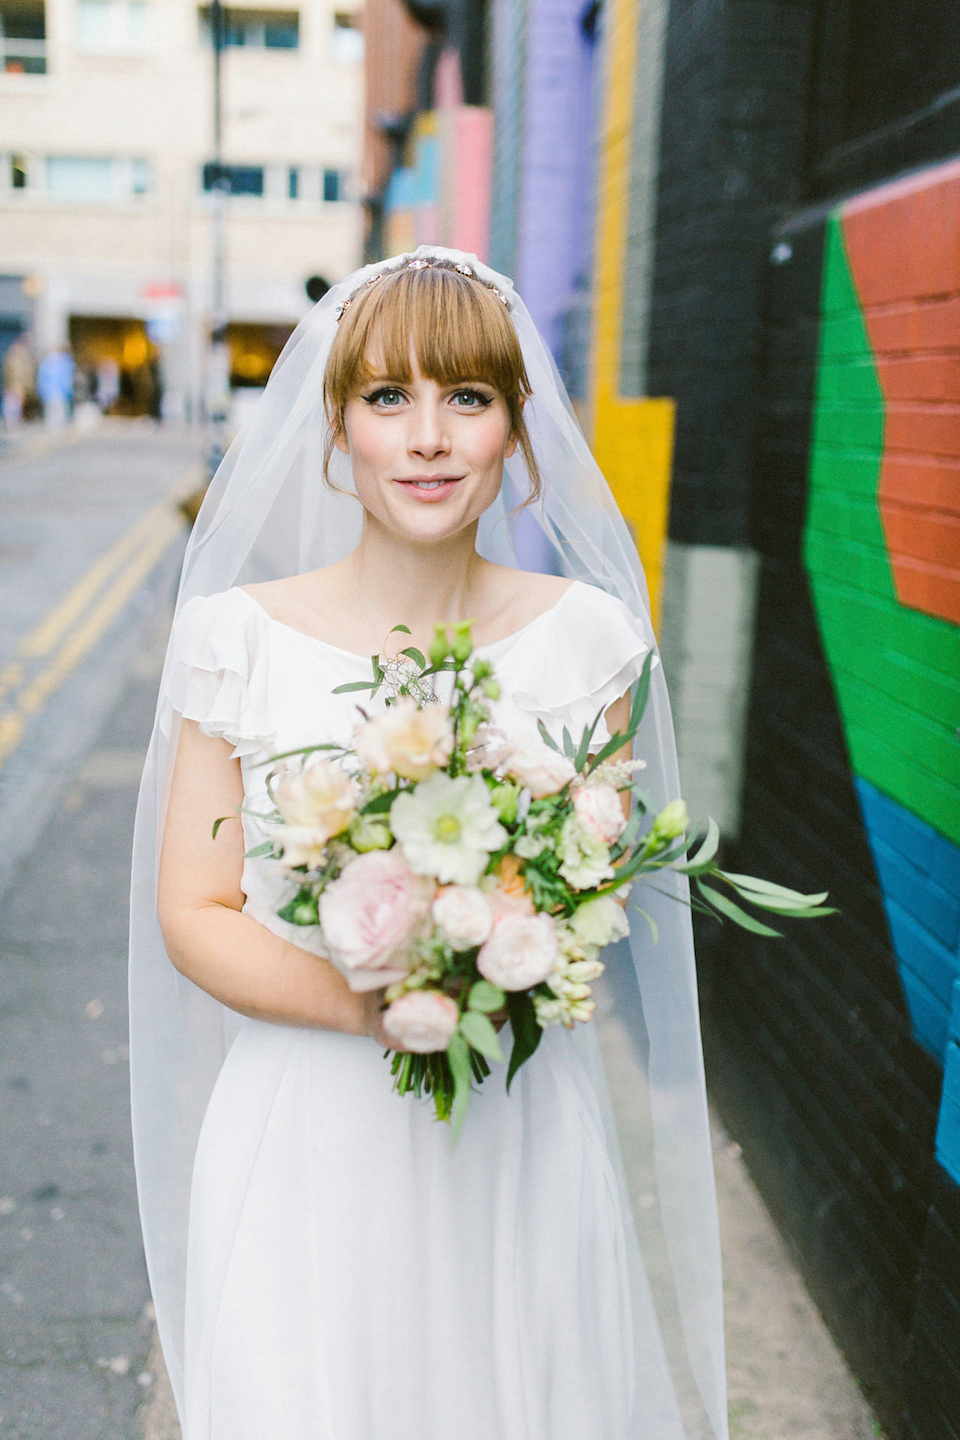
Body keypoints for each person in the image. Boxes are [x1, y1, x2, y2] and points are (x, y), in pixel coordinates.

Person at [130, 249, 729, 1440]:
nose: (428, 437)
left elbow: (585, 913)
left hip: (512, 1130)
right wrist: (379, 1009)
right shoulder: (234, 642)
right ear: (337, 426)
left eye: (467, 397)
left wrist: (490, 946)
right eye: (388, 398)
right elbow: (195, 910)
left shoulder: (587, 644)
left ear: (515, 429)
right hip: (306, 1133)